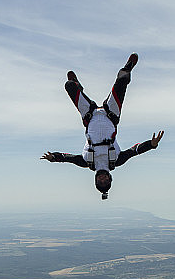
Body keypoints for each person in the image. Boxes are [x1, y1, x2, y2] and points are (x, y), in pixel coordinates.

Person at [40, 53, 164, 200]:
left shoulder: (87, 162)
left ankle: (78, 86)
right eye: (106, 181)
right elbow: (134, 151)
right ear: (110, 178)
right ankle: (127, 69)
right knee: (122, 79)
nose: (103, 179)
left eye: (100, 182)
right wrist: (151, 144)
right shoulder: (117, 161)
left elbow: (69, 158)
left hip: (90, 116)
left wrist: (53, 157)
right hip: (110, 116)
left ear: (96, 180)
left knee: (69, 86)